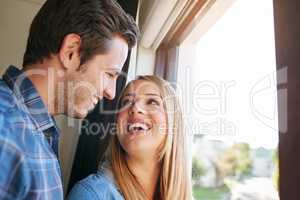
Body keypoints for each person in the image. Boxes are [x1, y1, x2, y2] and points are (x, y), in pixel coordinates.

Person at [0, 0, 139, 199]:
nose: (111, 92)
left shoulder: (36, 132)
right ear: (71, 52)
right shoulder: (5, 130)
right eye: (110, 74)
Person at [68, 75, 193, 200]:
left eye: (152, 102)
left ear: (173, 123)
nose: (135, 108)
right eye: (127, 102)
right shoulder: (90, 194)